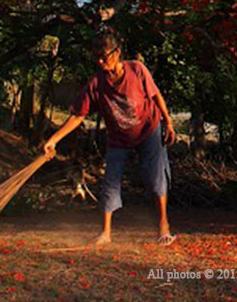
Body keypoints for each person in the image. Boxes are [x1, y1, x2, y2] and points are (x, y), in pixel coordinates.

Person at [43, 31, 177, 245]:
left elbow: (155, 95)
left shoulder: (137, 70)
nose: (100, 61)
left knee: (155, 179)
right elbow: (78, 115)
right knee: (110, 183)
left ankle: (163, 225)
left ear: (117, 52)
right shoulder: (96, 84)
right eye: (96, 56)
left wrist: (168, 122)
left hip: (148, 129)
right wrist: (54, 140)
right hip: (118, 138)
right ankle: (105, 233)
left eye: (104, 56)